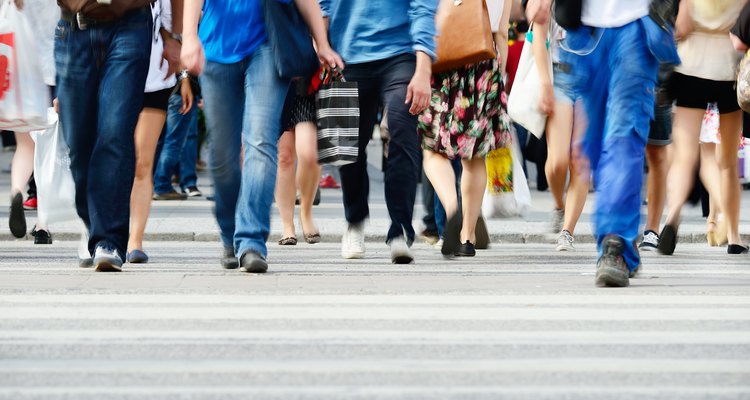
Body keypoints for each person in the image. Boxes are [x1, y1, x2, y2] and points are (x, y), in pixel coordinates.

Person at [181, 0, 343, 273]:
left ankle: (251, 240)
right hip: (216, 48)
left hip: (267, 44)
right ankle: (230, 233)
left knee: (261, 141)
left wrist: (322, 43)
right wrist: (188, 36)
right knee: (223, 156)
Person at [527, 0, 679, 286]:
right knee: (593, 147)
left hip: (635, 25)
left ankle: (615, 245)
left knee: (623, 138)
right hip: (582, 33)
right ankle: (623, 243)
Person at [320, 0, 437, 264]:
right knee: (346, 146)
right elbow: (322, 4)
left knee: (402, 132)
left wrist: (423, 69)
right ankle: (354, 220)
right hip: (345, 53)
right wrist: (322, 45)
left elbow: (424, 7)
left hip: (401, 55)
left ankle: (400, 230)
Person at [56, 0, 155, 271]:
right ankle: (92, 223)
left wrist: (175, 36)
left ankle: (107, 239)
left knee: (115, 131)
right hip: (73, 28)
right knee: (78, 144)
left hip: (130, 23)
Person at [419, 0, 512, 258]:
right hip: (483, 62)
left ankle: (452, 209)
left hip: (443, 61)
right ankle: (467, 237)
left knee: (432, 148)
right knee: (474, 155)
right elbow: (501, 33)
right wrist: (497, 79)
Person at [659, 0, 748, 256]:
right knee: (728, 162)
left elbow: (682, 27)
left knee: (684, 156)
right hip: (729, 70)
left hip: (691, 67)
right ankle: (733, 235)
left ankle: (673, 214)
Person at [126, 0, 193, 264]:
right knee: (114, 157)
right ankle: (104, 233)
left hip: (156, 78)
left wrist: (184, 75)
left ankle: (135, 240)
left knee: (143, 162)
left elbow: (173, 30)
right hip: (112, 73)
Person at [531, 11, 589, 251]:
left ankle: (567, 231)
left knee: (580, 161)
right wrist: (545, 84)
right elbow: (538, 34)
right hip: (560, 77)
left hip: (592, 80)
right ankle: (558, 205)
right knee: (557, 162)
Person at [7, 0, 57, 245]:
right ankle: (42, 225)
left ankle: (17, 190)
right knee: (50, 152)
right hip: (56, 70)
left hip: (22, 73)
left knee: (26, 146)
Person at [274, 77, 322, 246]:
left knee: (310, 154)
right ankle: (288, 226)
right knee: (284, 156)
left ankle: (306, 211)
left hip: (309, 80)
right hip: (280, 77)